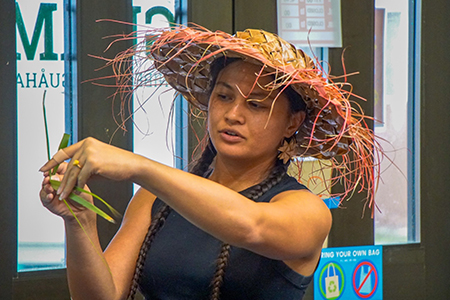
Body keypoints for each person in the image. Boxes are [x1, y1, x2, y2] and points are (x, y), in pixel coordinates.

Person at [39, 26, 378, 300]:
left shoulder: (306, 210)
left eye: (256, 105)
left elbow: (250, 225)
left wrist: (138, 166)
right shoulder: (151, 200)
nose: (233, 115)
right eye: (224, 96)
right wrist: (78, 221)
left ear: (292, 123)